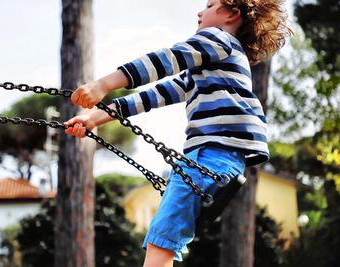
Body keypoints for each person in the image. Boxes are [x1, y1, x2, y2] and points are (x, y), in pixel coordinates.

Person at [64, 0, 292, 266]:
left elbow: (165, 60)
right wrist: (94, 119)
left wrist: (103, 84)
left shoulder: (219, 40)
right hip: (215, 159)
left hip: (211, 156)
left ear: (231, 14)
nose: (199, 12)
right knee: (163, 237)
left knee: (161, 240)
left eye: (210, 5)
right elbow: (153, 96)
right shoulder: (211, 67)